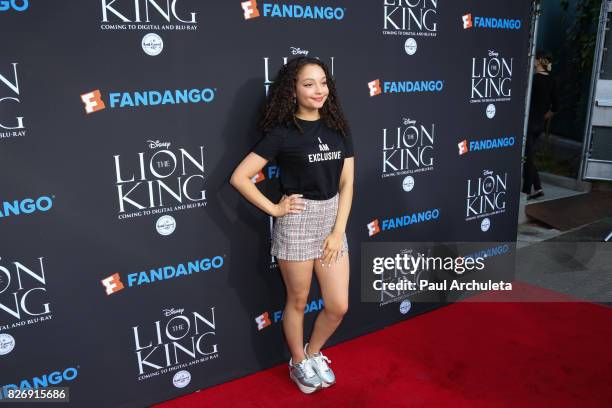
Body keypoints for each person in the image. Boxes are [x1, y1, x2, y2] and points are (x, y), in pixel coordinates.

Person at [230, 57, 354, 394]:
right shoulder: (283, 134)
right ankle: (298, 361)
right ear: (293, 90)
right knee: (298, 301)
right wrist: (274, 207)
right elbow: (240, 177)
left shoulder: (338, 127)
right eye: (308, 84)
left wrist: (338, 230)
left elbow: (347, 184)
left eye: (323, 82)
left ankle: (314, 352)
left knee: (338, 304)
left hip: (332, 222)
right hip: (297, 223)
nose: (318, 90)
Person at [523, 50, 559, 200]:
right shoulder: (552, 80)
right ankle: (537, 188)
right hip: (539, 124)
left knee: (527, 158)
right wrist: (543, 117)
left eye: (534, 59)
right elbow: (556, 106)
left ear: (538, 61)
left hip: (529, 123)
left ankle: (526, 191)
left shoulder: (534, 80)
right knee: (529, 155)